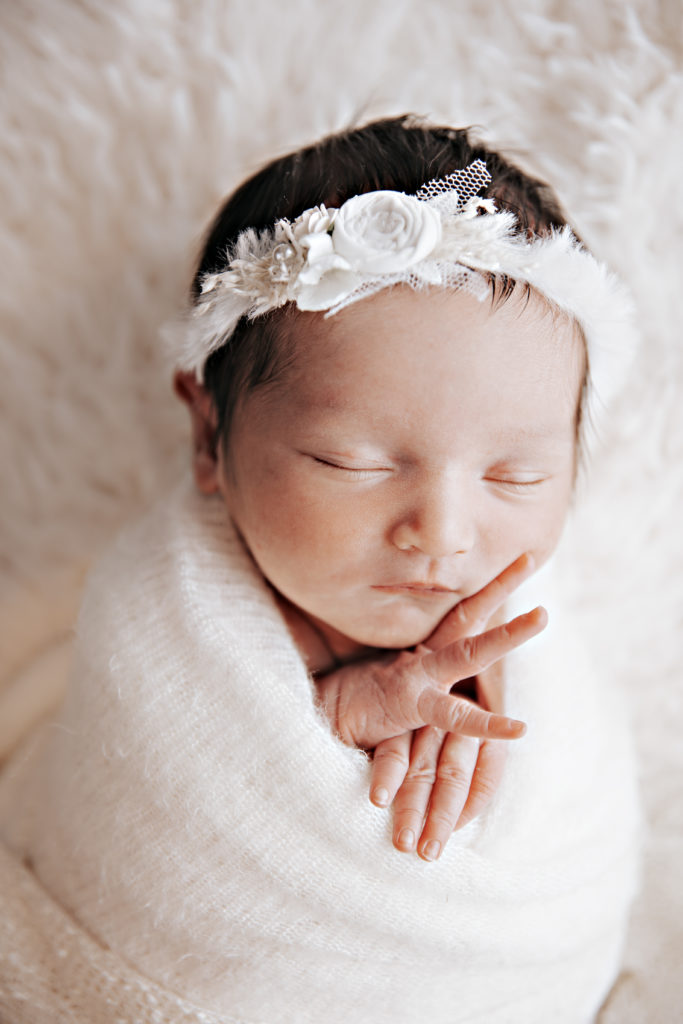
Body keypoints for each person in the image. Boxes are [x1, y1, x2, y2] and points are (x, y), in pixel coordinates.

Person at [0, 116, 640, 1023]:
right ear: (209, 436)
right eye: (352, 463)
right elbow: (170, 778)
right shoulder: (167, 622)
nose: (440, 531)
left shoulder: (532, 639)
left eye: (515, 475)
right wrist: (337, 717)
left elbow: (565, 839)